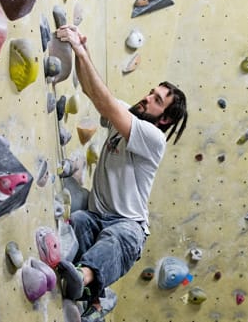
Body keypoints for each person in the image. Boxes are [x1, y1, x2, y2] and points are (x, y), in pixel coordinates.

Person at [55, 24, 188, 322]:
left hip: (129, 227)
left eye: (156, 100)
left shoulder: (152, 138)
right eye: (151, 92)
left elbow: (103, 101)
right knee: (76, 221)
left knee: (116, 238)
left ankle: (84, 276)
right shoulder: (127, 118)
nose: (147, 97)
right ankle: (98, 298)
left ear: (164, 118)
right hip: (95, 218)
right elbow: (93, 91)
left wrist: (80, 50)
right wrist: (82, 50)